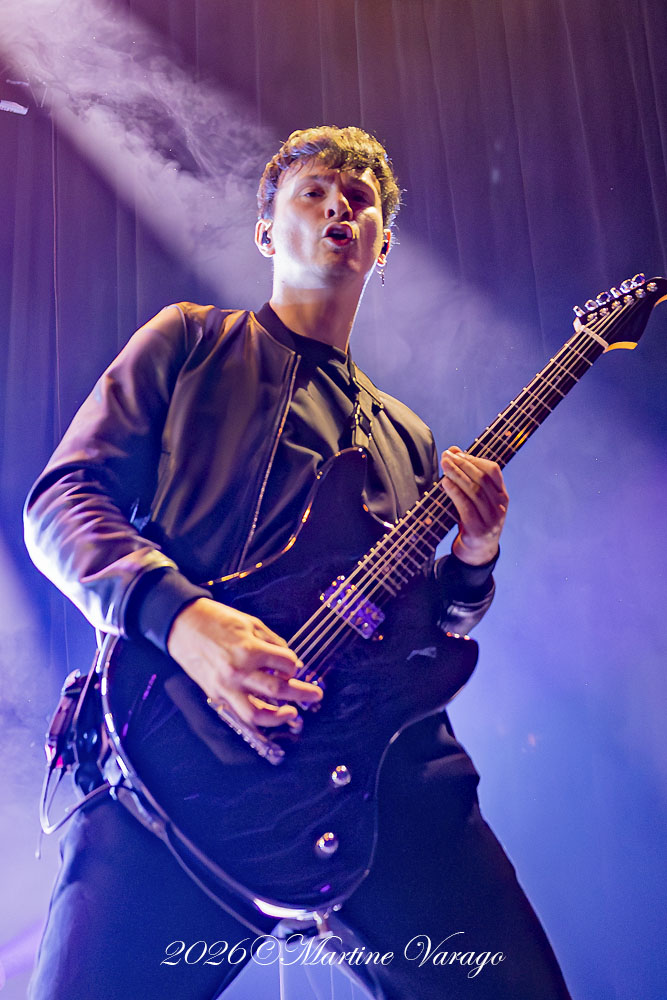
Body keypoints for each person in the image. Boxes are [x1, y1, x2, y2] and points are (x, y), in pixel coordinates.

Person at [24, 126, 571, 999]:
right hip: (178, 752)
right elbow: (62, 502)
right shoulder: (191, 343)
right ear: (266, 232)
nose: (337, 208)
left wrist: (474, 555)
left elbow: (428, 626)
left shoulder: (407, 436)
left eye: (359, 200)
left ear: (382, 247)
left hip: (390, 772)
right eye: (313, 192)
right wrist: (188, 620)